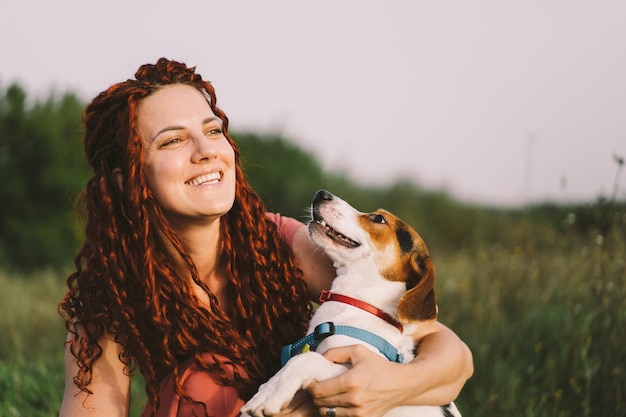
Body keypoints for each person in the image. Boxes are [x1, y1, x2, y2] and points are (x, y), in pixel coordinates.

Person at [59, 58, 473, 417]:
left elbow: (451, 355)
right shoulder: (110, 295)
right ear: (128, 179)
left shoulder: (274, 241)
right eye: (173, 140)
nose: (207, 150)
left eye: (213, 130)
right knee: (199, 384)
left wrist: (392, 386)